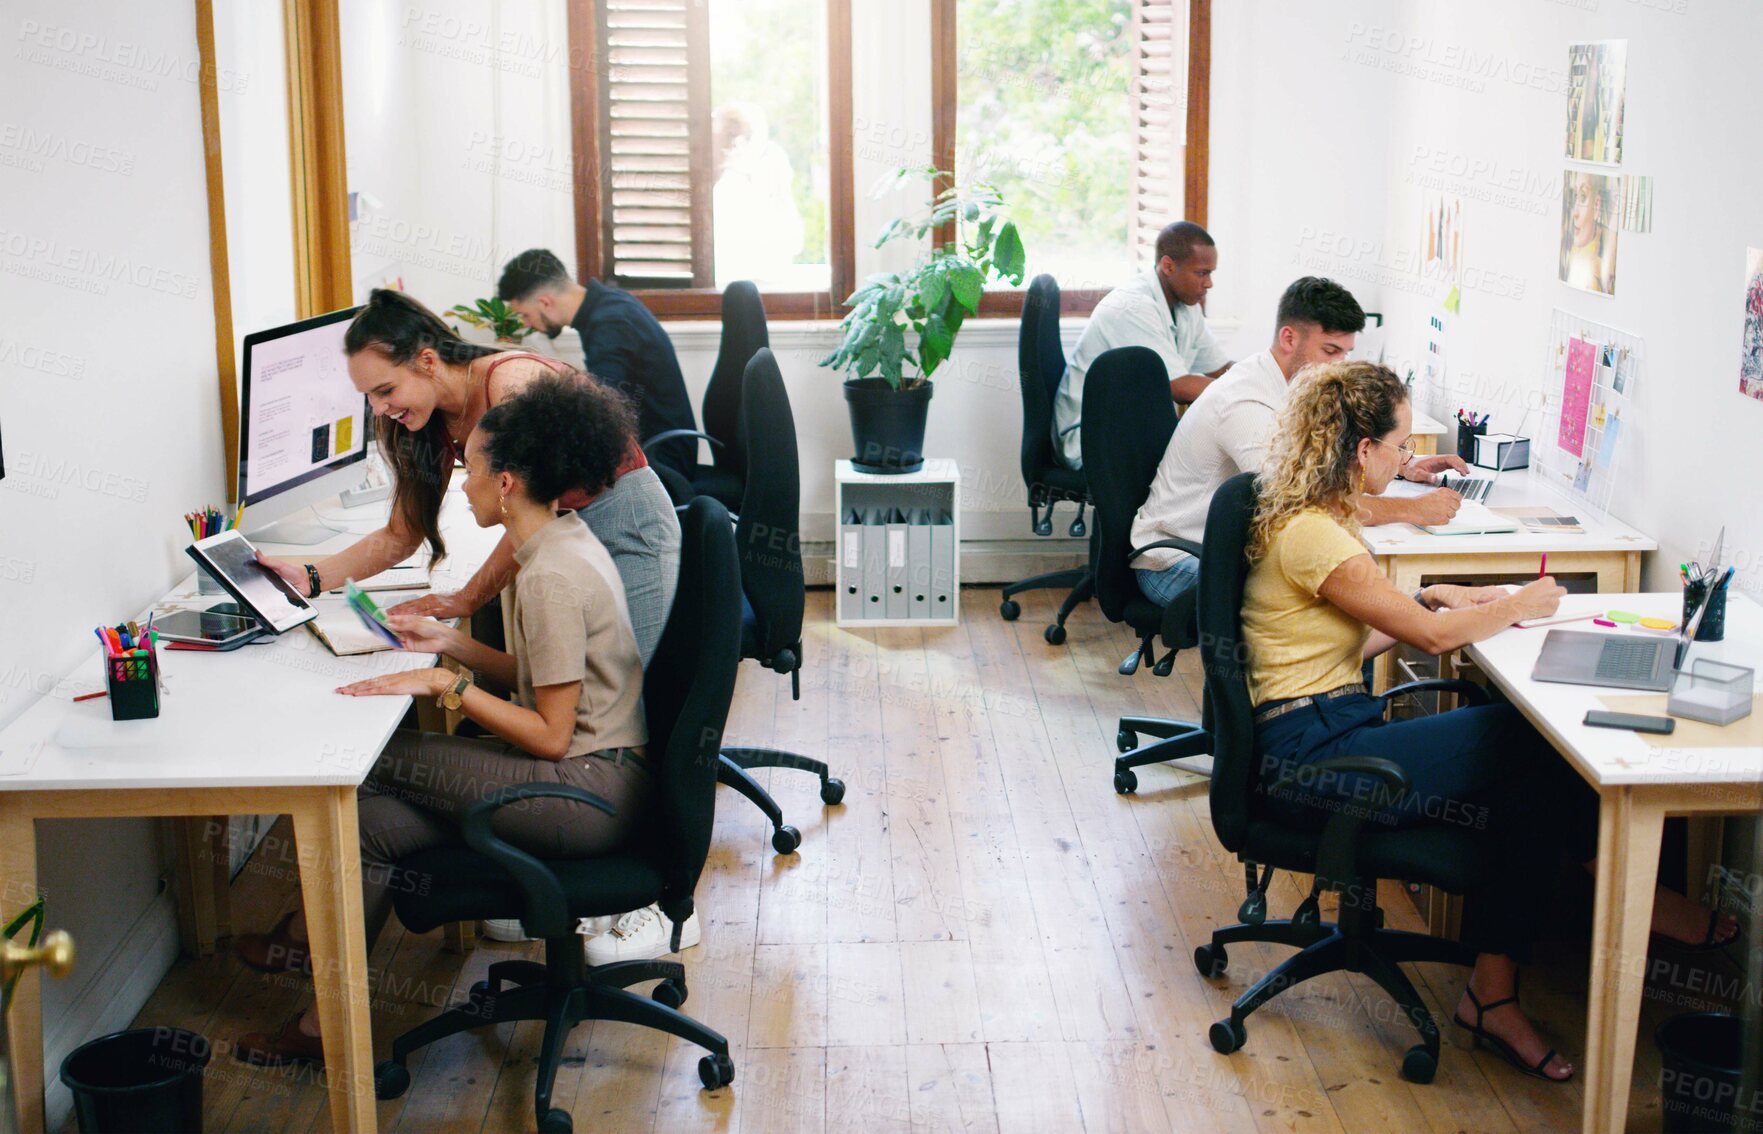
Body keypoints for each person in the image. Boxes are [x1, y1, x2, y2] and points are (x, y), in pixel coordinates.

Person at [1241, 360, 1738, 1082]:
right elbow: (1434, 644)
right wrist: (1515, 604)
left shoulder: (1310, 511)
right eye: (1399, 447)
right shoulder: (1317, 533)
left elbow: (1342, 643)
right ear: (1361, 452)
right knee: (1528, 738)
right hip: (1311, 755)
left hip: (1319, 723)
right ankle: (1597, 863)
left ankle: (1491, 994)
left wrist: (1438, 596)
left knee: (1528, 786)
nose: (1407, 462)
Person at [234, 376, 655, 1066]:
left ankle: (311, 976)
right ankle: (320, 1027)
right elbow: (547, 677)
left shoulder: (548, 576)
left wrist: (447, 683)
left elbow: (551, 734)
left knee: (375, 763)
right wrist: (453, 644)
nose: (461, 485)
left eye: (473, 469)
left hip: (584, 790)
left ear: (509, 481)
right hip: (600, 774)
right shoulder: (556, 541)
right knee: (366, 825)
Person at [256, 289, 682, 669]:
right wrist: (312, 576)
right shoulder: (429, 419)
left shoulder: (509, 383)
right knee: (566, 696)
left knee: (612, 702)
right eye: (368, 396)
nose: (378, 408)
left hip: (624, 523)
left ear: (426, 361)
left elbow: (530, 513)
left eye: (385, 391)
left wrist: (468, 597)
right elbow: (402, 534)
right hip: (566, 536)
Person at [1131, 277, 1468, 607]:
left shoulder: (1297, 391)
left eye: (1346, 353)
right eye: (1330, 351)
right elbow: (1308, 504)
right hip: (1176, 562)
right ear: (1289, 338)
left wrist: (1398, 463)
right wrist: (1412, 509)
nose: (1340, 366)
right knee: (1337, 599)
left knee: (1349, 586)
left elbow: (1323, 464)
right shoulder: (1246, 404)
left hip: (1225, 551)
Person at [496, 249, 699, 479]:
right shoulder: (607, 307)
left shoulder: (609, 322)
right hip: (653, 448)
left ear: (545, 303)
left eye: (524, 315)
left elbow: (601, 412)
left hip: (663, 461)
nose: (527, 324)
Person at [1052, 220, 1231, 469]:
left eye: (1211, 273)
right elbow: (1178, 387)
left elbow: (1221, 368)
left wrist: (1269, 377)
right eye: (1202, 273)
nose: (1209, 283)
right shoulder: (1132, 306)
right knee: (1207, 460)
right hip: (1090, 437)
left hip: (1128, 429)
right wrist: (1245, 394)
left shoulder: (1186, 305)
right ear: (1168, 266)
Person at [1561, 171, 1616, 294]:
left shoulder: (1607, 259)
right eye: (1574, 195)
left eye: (1583, 197)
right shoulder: (1567, 249)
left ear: (1596, 206)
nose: (1575, 213)